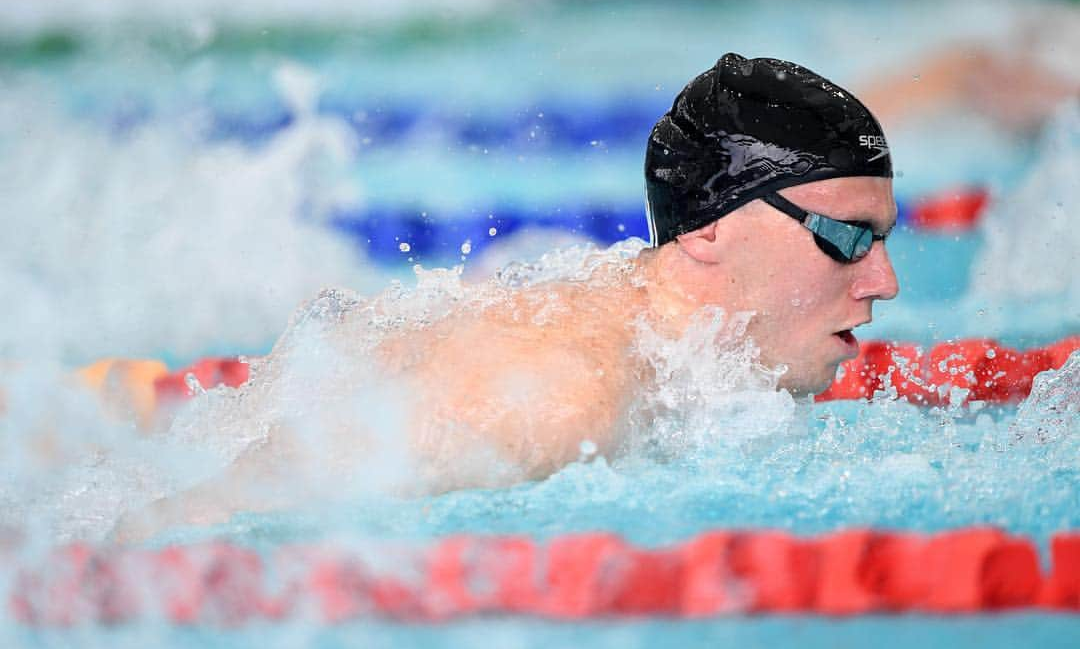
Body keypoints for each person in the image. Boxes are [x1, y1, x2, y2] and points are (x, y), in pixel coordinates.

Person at [111, 53, 899, 543]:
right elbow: (192, 530)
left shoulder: (664, 360)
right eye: (847, 238)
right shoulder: (556, 399)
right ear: (706, 231)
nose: (883, 281)